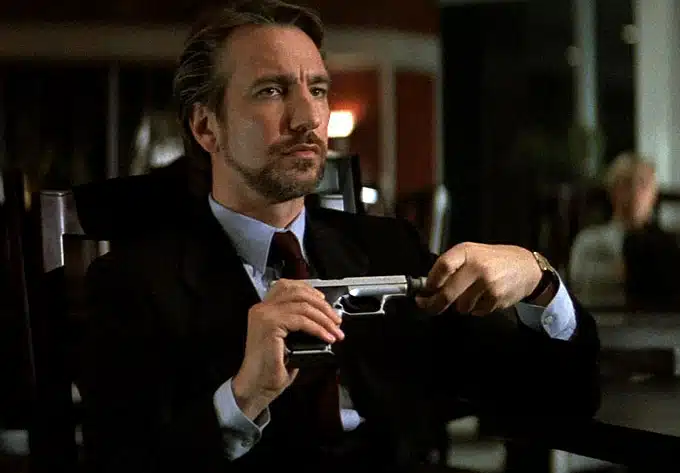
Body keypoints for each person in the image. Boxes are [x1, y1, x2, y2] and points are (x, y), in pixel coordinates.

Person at [77, 1, 600, 472]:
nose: (308, 118)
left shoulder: (388, 249)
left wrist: (540, 283)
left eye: (318, 90)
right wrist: (243, 396)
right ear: (206, 127)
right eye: (272, 90)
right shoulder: (129, 285)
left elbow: (562, 399)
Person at [569, 151, 661, 308]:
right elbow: (579, 279)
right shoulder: (589, 241)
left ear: (654, 193)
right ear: (612, 190)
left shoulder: (668, 245)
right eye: (627, 184)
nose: (635, 192)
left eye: (643, 183)